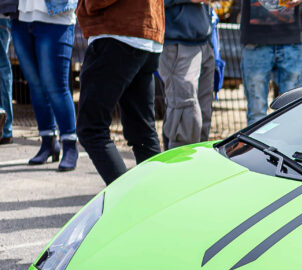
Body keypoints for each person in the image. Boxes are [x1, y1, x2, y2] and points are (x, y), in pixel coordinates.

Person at [76, 0, 164, 185]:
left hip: (118, 31)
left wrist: (88, 4)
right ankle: (157, 202)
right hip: (148, 32)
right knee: (142, 133)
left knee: (91, 128)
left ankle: (128, 202)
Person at [10, 0, 78, 169]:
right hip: (21, 15)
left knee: (56, 86)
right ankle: (48, 142)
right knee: (35, 84)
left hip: (56, 16)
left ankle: (70, 145)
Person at [239, 0, 302, 126]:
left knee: (293, 109)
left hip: (290, 40)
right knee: (257, 111)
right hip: (256, 41)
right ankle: (256, 145)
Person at [160, 0, 214, 148]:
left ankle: (196, 166)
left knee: (203, 115)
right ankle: (179, 168)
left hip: (202, 39)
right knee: (185, 115)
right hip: (177, 42)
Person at [0, 1, 13, 145]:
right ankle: (6, 127)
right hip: (5, 15)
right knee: (3, 69)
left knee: (3, 68)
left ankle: (6, 127)